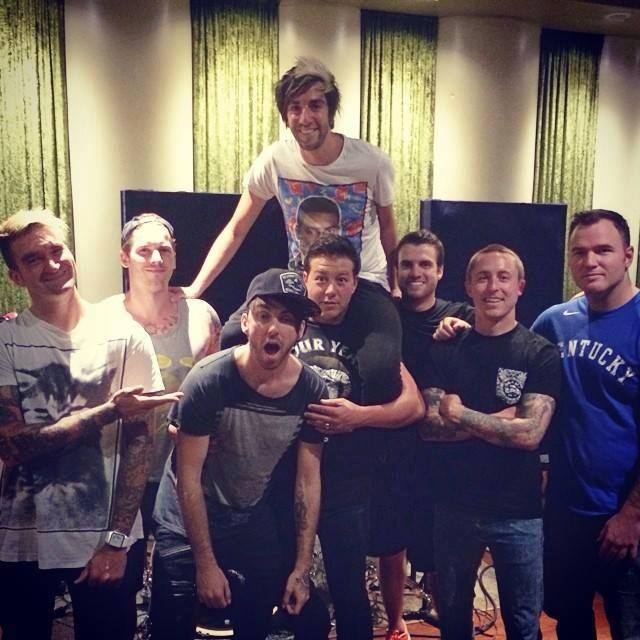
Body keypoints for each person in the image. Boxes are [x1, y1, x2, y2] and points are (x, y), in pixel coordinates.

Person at [0, 209, 181, 640]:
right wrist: (106, 411)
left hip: (105, 538)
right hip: (20, 539)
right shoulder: (6, 341)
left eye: (56, 250)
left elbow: (139, 445)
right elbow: (11, 446)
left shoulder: (125, 336)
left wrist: (117, 539)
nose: (52, 264)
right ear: (15, 276)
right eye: (33, 259)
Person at [184, 56, 402, 404]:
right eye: (295, 107)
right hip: (301, 279)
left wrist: (395, 285)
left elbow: (389, 227)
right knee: (231, 337)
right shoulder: (275, 160)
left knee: (379, 371)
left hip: (362, 279)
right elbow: (236, 229)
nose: (304, 117)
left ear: (330, 110)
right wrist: (196, 287)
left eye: (315, 105)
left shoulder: (370, 162)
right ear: (285, 114)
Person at [150, 268, 330, 640]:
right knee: (172, 622)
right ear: (245, 321)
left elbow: (308, 480)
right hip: (185, 518)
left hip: (246, 514)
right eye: (264, 315)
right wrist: (205, 564)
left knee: (260, 618)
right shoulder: (209, 380)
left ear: (301, 330)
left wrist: (301, 568)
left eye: (287, 319)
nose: (273, 328)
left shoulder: (310, 389)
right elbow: (188, 477)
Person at [417, 244, 561, 640]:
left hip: (519, 512)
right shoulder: (445, 348)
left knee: (523, 624)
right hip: (454, 507)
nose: (492, 286)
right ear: (468, 286)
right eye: (482, 277)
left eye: (503, 277)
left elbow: (530, 434)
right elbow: (429, 427)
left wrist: (461, 414)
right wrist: (503, 420)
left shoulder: (540, 353)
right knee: (453, 621)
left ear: (520, 286)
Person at [293, 235, 423, 640]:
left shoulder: (372, 331)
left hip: (347, 481)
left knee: (349, 589)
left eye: (341, 280)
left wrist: (359, 417)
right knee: (284, 581)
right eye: (321, 278)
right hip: (286, 477)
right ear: (305, 278)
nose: (330, 290)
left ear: (354, 283)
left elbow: (413, 406)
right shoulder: (284, 322)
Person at [531, 209, 640, 640]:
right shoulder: (553, 322)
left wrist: (632, 514)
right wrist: (457, 329)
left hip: (625, 515)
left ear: (628, 255)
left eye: (603, 250)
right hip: (565, 513)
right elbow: (509, 361)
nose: (590, 261)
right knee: (571, 624)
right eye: (579, 252)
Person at [370, 230, 474, 640]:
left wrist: (463, 328)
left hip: (445, 457)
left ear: (440, 271)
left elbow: (496, 338)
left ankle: (452, 624)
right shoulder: (384, 315)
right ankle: (397, 624)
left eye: (425, 264)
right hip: (392, 450)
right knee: (392, 543)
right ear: (395, 270)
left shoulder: (461, 315)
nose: (415, 272)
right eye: (407, 264)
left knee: (443, 551)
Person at [104, 213, 220, 535]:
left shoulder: (202, 316)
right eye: (144, 251)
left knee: (178, 560)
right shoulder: (104, 318)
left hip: (183, 471)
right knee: (121, 558)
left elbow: (215, 394)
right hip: (118, 472)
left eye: (164, 250)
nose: (156, 259)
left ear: (174, 256)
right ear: (124, 257)